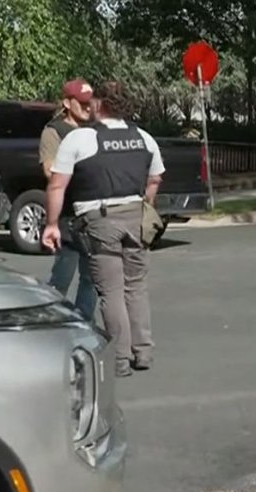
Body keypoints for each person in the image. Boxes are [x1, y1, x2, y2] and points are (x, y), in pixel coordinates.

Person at [42, 82, 164, 377]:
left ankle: (120, 359)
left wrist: (52, 223)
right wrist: (144, 205)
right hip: (136, 216)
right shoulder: (143, 137)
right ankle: (143, 351)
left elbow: (57, 184)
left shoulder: (81, 138)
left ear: (100, 105)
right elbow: (156, 178)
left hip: (100, 219)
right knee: (136, 286)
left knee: (110, 291)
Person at [40, 79, 97, 321]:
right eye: (82, 103)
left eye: (90, 102)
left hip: (93, 212)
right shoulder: (54, 131)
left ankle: (84, 320)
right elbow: (50, 171)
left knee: (91, 277)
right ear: (67, 102)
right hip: (67, 214)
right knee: (62, 276)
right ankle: (51, 319)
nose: (87, 107)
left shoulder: (96, 129)